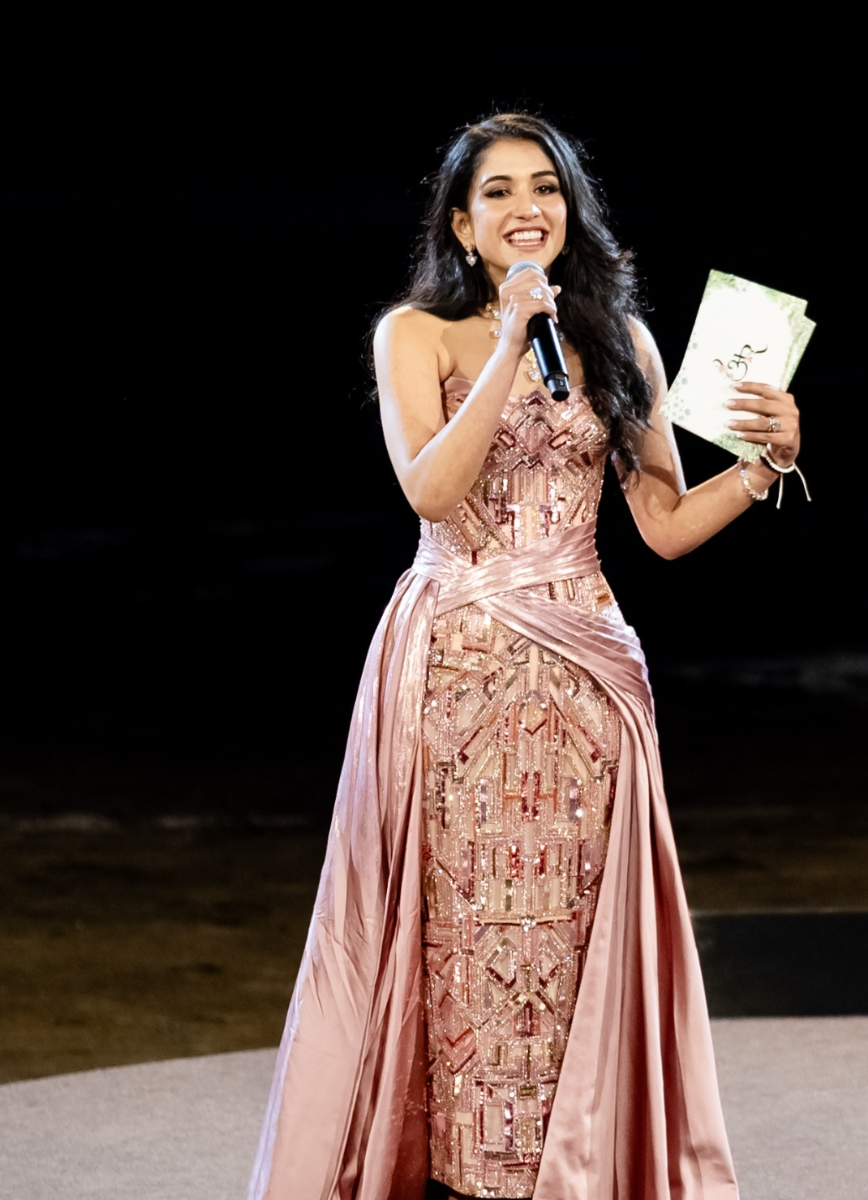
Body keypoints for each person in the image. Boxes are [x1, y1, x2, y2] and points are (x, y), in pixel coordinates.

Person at [249, 112, 800, 1200]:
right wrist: (507, 345)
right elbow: (430, 491)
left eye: (544, 187)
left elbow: (662, 526)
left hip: (588, 683)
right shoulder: (414, 335)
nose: (525, 207)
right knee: (461, 933)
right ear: (463, 225)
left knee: (572, 937)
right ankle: (461, 1173)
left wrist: (762, 468)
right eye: (496, 192)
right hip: (454, 675)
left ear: (571, 210)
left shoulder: (624, 341)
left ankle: (570, 1167)